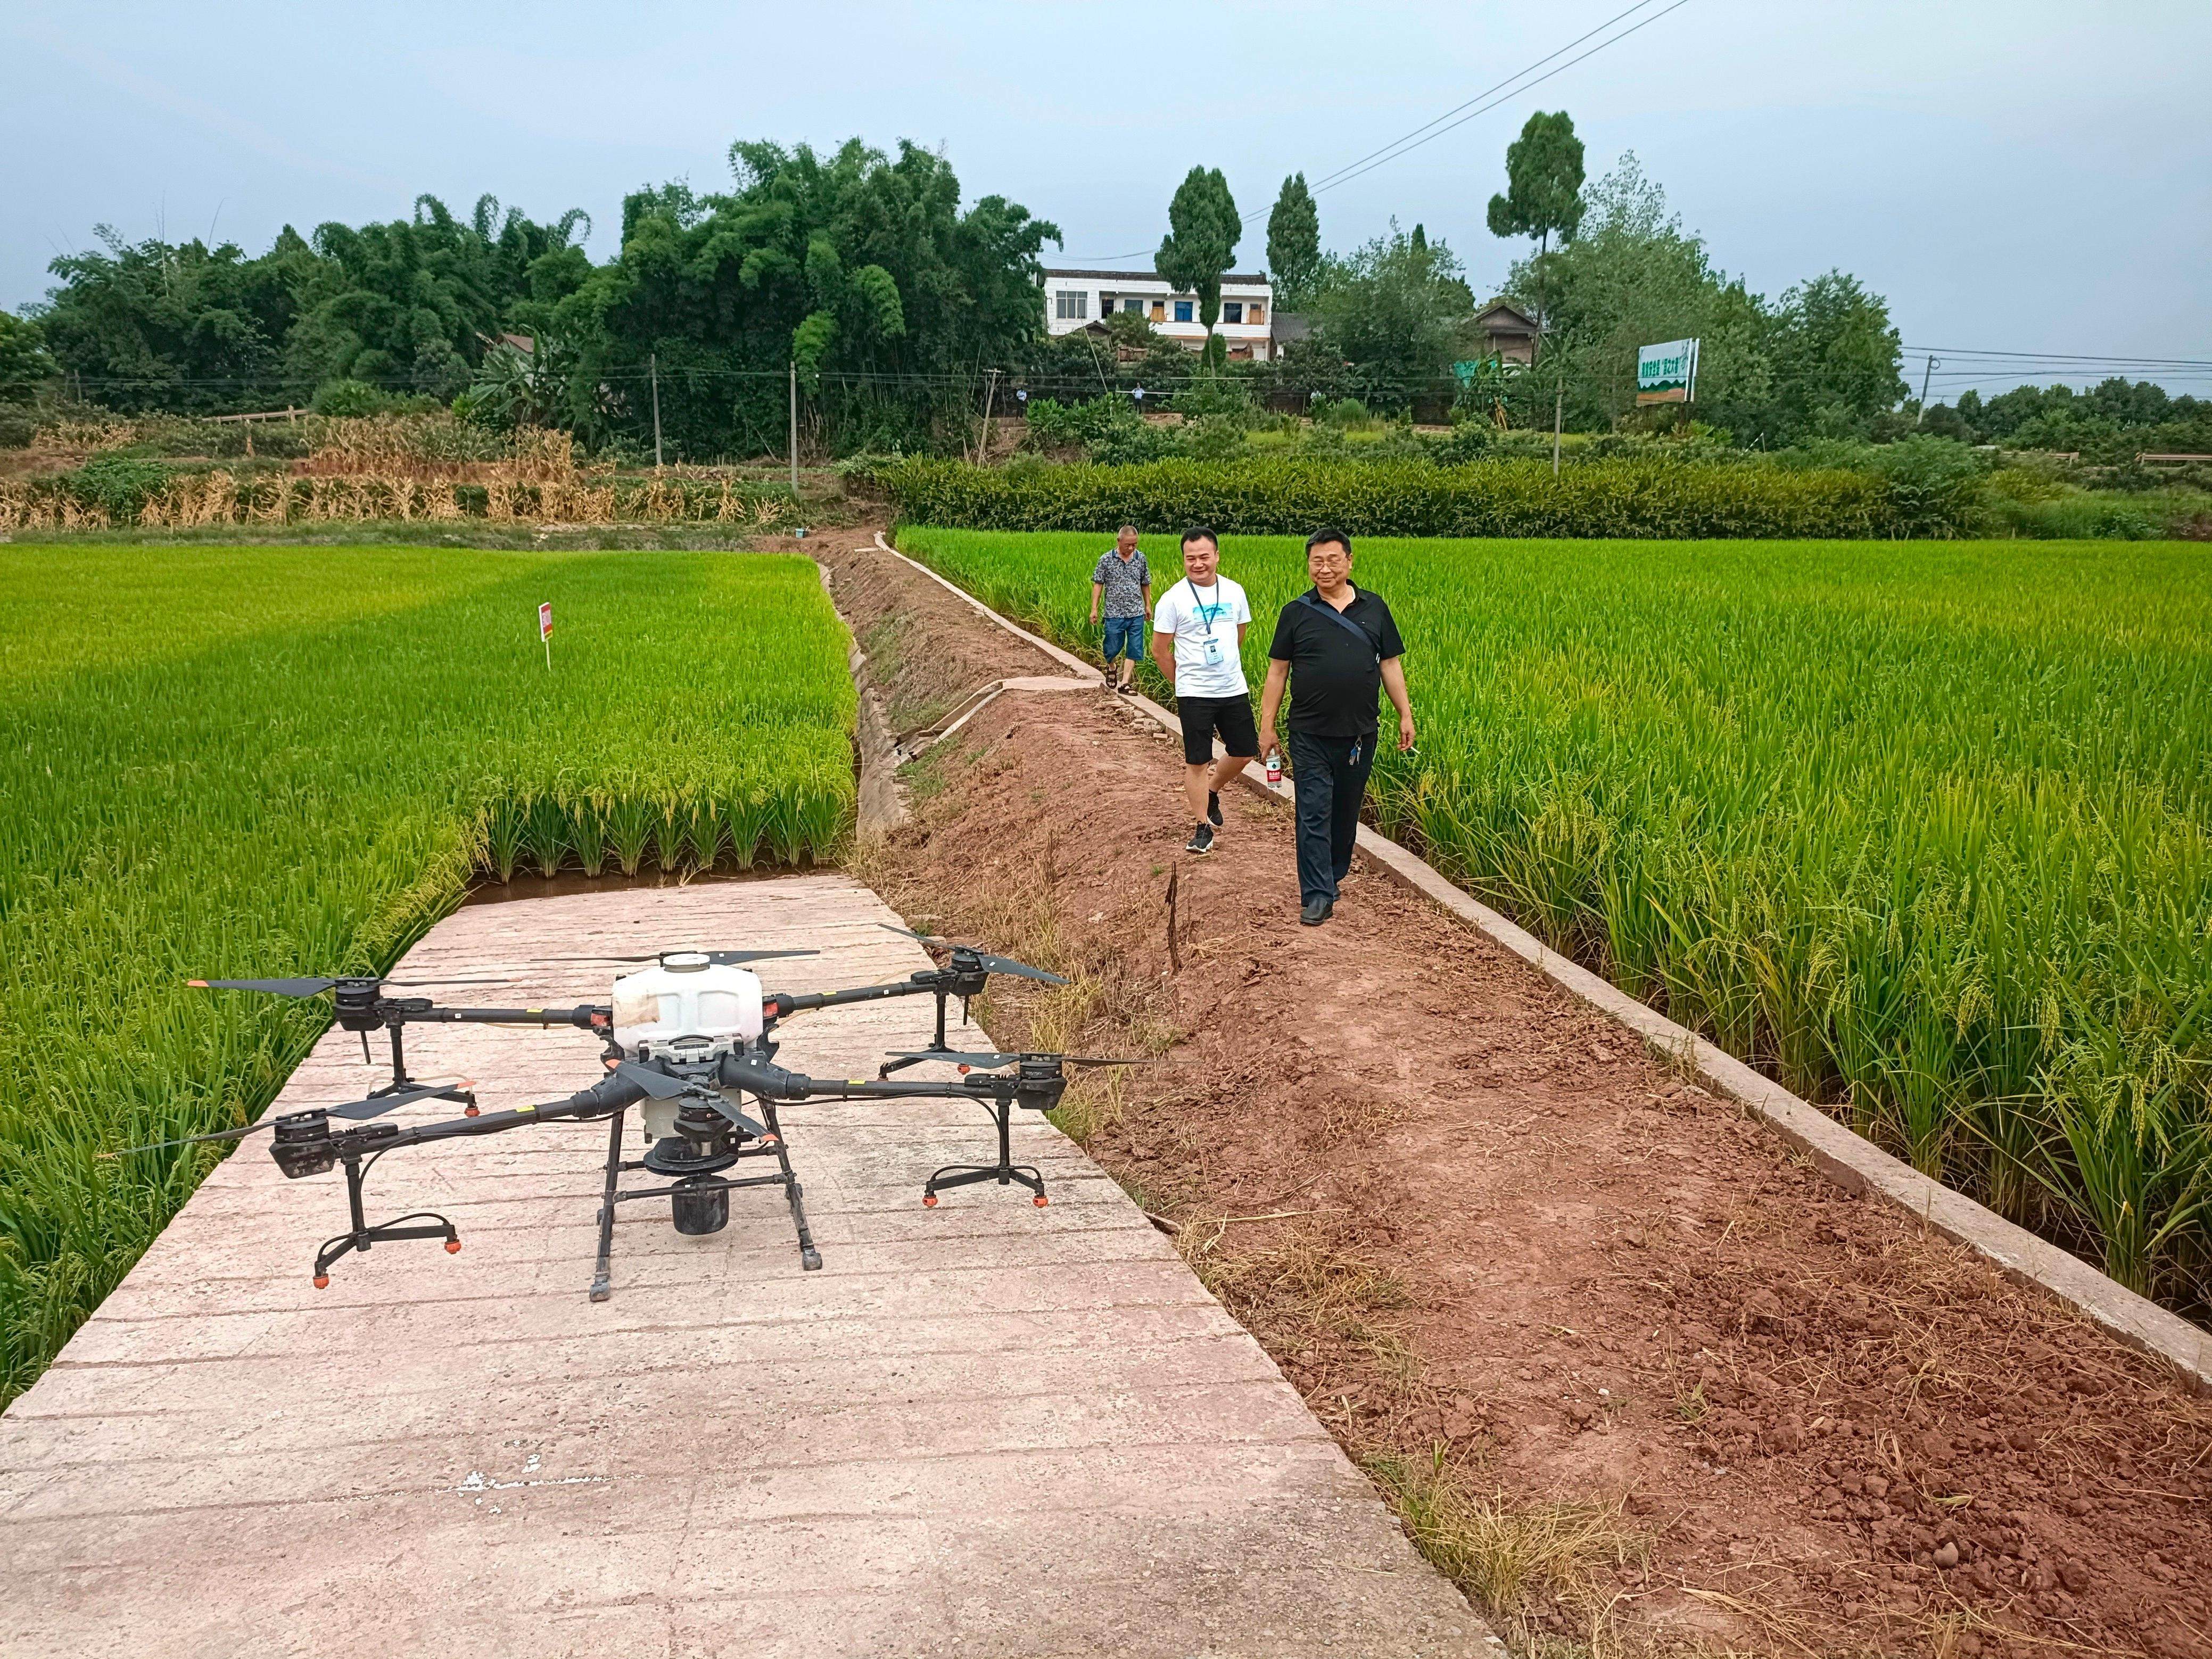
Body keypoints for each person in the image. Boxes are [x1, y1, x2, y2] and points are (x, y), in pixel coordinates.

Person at [1258, 527, 1415, 926]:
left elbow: (1390, 664)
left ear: (1349, 561)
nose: (1324, 568)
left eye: (1332, 560)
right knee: (1312, 810)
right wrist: (1268, 725)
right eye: (1316, 561)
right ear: (1309, 564)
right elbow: (1278, 672)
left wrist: (1405, 714)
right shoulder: (1296, 612)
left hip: (1360, 734)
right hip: (1309, 732)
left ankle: (1332, 873)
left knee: (1345, 811)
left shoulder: (1374, 609)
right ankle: (1316, 893)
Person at [1152, 525, 1255, 856]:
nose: (1198, 564)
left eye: (1204, 557)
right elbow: (1160, 650)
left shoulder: (1235, 592)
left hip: (1232, 688)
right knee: (1198, 759)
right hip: (1194, 692)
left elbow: (1239, 635)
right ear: (1183, 560)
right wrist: (1182, 683)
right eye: (1190, 558)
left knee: (1244, 750)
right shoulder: (1173, 599)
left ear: (1216, 557)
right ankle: (1202, 827)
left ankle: (1212, 790)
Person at [1088, 524, 1152, 694]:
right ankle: (1112, 666)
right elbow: (1098, 584)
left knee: (1135, 647)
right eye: (1128, 545)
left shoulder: (1140, 558)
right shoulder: (1106, 559)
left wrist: (1148, 605)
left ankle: (1125, 683)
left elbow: (1145, 582)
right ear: (1119, 541)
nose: (1131, 548)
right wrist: (1094, 608)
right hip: (1114, 612)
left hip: (1136, 612)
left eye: (1135, 545)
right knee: (1111, 646)